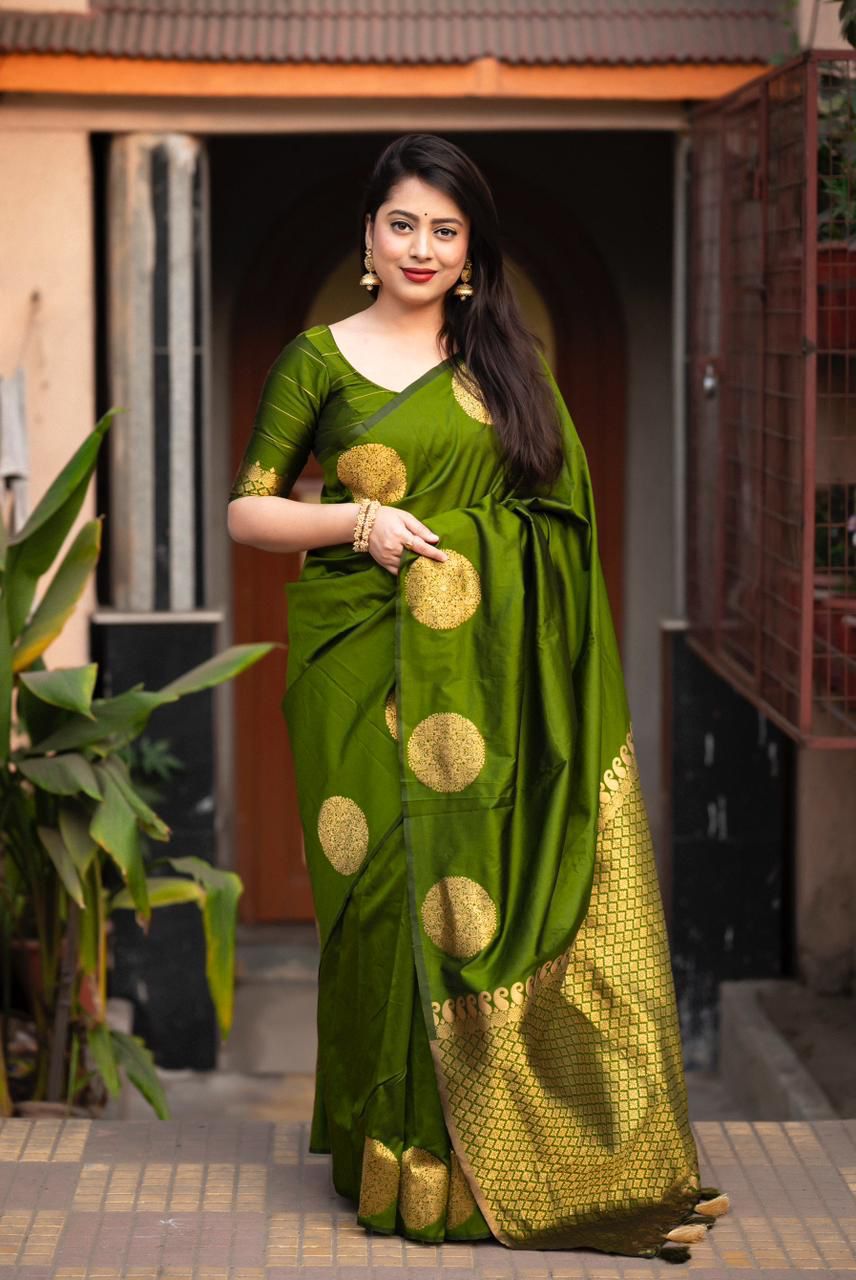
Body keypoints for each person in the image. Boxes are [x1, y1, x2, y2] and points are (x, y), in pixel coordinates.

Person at [227, 133, 730, 1261]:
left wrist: (455, 544)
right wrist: (356, 522)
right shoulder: (317, 360)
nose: (421, 246)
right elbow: (249, 510)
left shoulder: (508, 360)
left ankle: (498, 1159)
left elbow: (557, 524)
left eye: (444, 230)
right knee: (378, 905)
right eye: (402, 223)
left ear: (469, 251)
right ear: (366, 236)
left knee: (474, 898)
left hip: (485, 685)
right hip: (355, 668)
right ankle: (395, 1159)